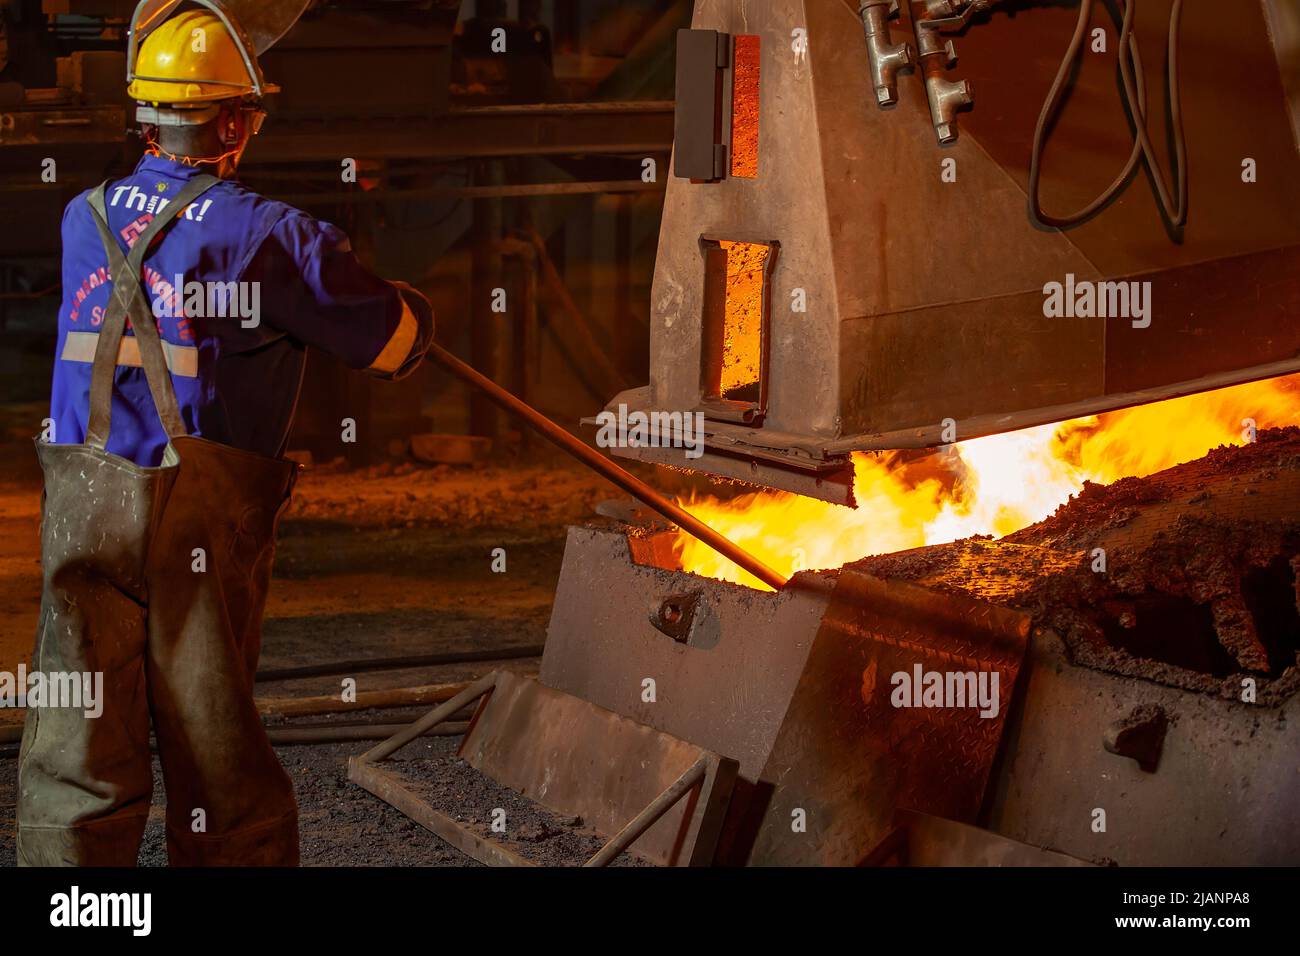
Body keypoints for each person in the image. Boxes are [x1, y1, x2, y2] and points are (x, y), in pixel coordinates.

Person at [16, 0, 433, 867]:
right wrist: (411, 312)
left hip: (81, 510)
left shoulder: (80, 219)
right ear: (238, 122)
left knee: (77, 749)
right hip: (191, 530)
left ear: (145, 116)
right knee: (214, 756)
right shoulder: (268, 237)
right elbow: (392, 342)